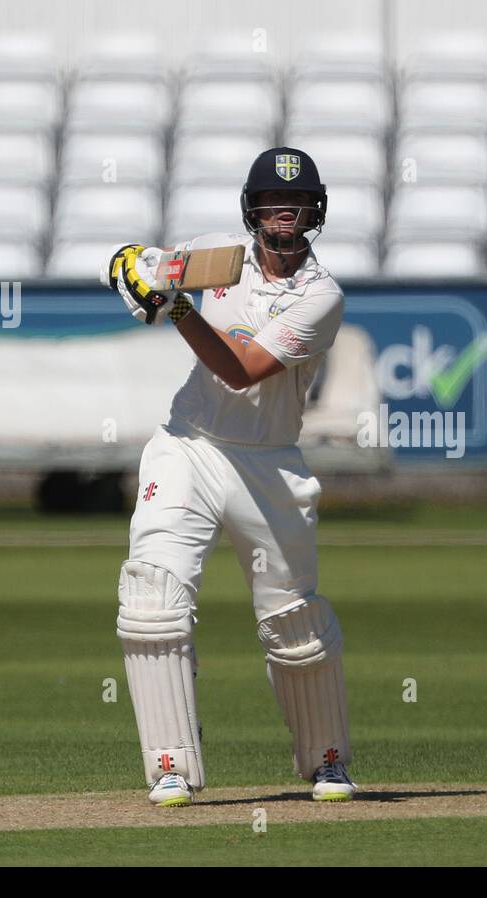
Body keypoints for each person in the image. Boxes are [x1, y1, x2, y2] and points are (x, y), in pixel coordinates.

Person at [100, 147, 356, 805]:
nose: (284, 217)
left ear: (313, 214)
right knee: (152, 601)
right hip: (187, 446)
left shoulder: (321, 297)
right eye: (273, 204)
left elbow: (240, 369)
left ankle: (326, 760)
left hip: (266, 462)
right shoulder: (215, 256)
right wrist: (130, 267)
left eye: (296, 207)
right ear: (253, 210)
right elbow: (140, 268)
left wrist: (176, 309)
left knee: (294, 623)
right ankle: (170, 765)